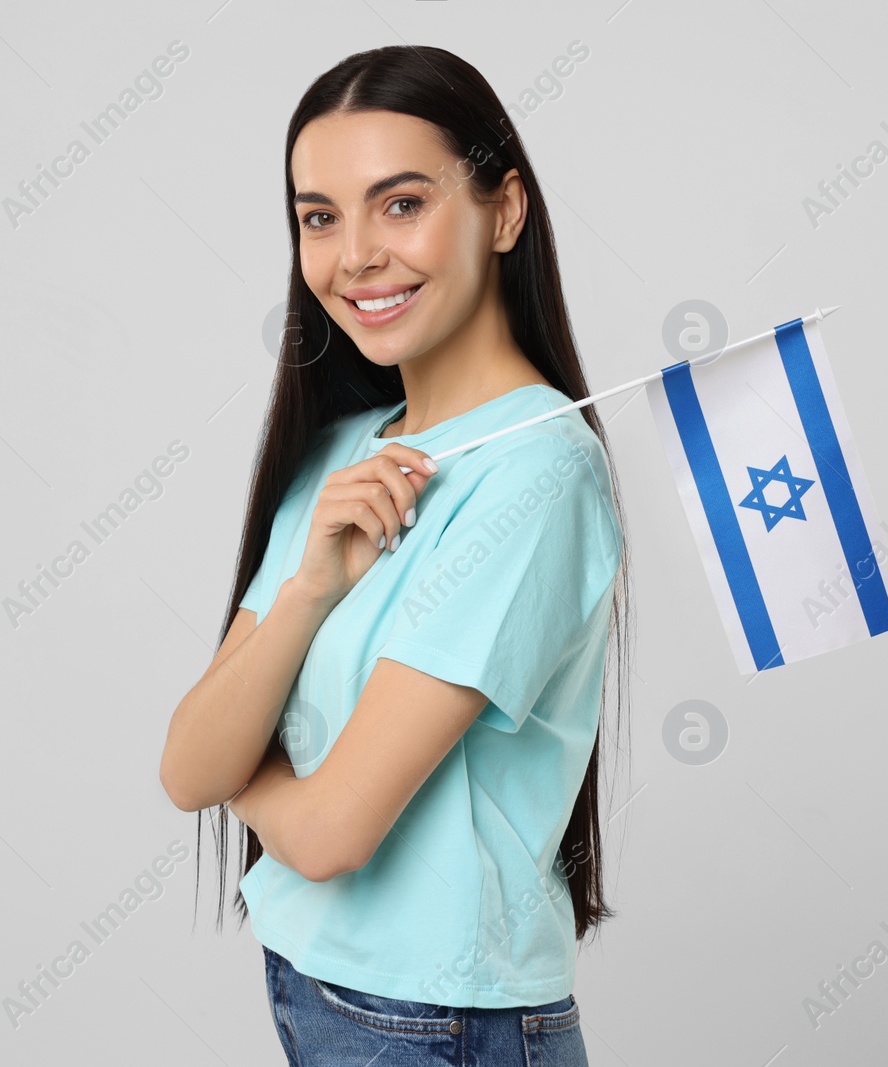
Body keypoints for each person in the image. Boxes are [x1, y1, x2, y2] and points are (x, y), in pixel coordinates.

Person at [158, 44, 633, 1066]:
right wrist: (309, 590)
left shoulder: (539, 473)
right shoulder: (343, 453)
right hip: (322, 989)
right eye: (320, 216)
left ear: (503, 211)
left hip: (437, 1020)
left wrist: (252, 763)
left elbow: (330, 833)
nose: (357, 253)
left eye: (401, 203)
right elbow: (187, 763)